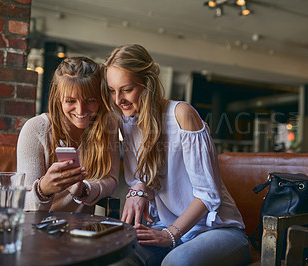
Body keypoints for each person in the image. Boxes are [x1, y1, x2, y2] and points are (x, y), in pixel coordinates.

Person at [104, 44, 251, 266]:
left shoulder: (182, 114)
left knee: (176, 263)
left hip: (217, 230)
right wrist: (139, 189)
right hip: (167, 225)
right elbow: (144, 179)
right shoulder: (128, 123)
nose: (118, 100)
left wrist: (170, 234)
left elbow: (207, 195)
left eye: (126, 89)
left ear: (148, 84)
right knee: (119, 257)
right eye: (112, 90)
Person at [17, 57, 120, 213]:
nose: (81, 110)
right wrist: (43, 190)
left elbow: (111, 180)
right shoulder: (36, 129)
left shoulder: (108, 125)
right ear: (59, 99)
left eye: (90, 100)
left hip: (81, 230)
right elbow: (23, 204)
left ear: (101, 99)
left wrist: (84, 190)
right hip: (38, 227)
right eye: (71, 101)